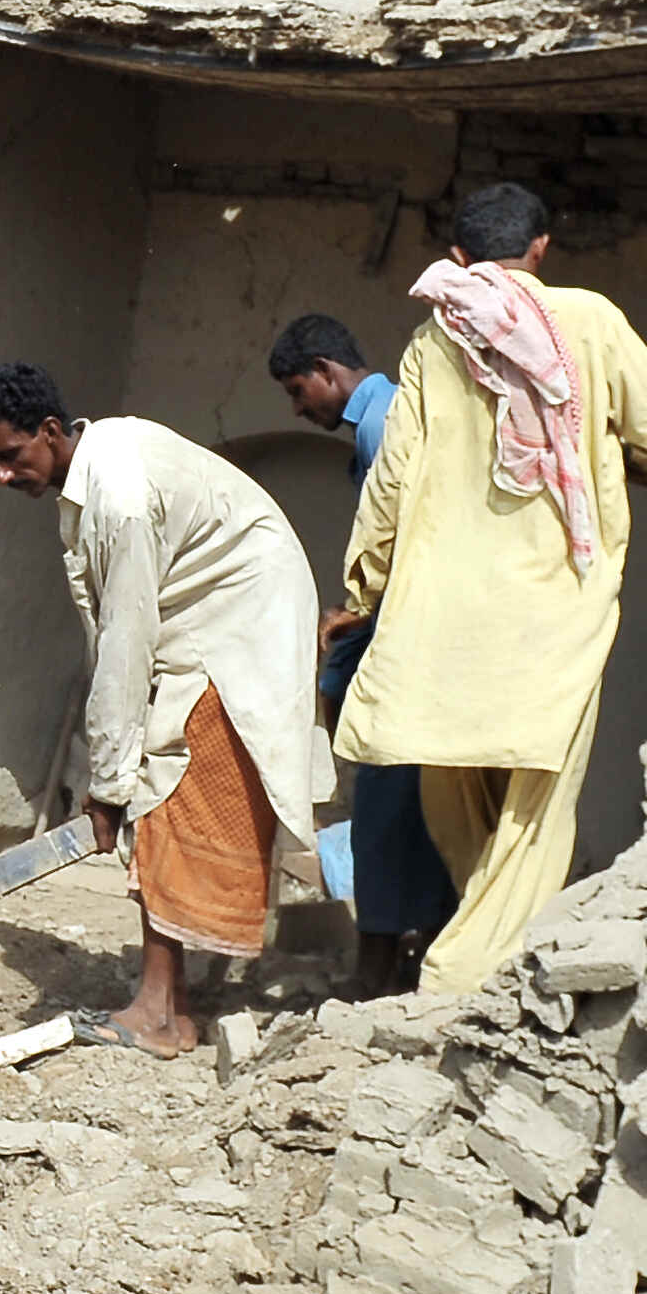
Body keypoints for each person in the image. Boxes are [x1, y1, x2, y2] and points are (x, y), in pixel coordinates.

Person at [330, 184, 647, 990]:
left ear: (459, 256)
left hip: (444, 615)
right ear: (541, 248)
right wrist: (632, 459)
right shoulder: (590, 321)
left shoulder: (435, 339)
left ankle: (473, 948)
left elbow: (393, 477)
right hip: (555, 613)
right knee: (535, 810)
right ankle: (469, 973)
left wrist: (369, 582)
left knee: (453, 791)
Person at [0, 362, 327, 1058]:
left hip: (240, 629)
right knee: (156, 801)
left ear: (48, 431)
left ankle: (157, 1012)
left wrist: (108, 781)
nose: (4, 477)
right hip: (211, 622)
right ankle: (175, 1007)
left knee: (160, 800)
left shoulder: (119, 496)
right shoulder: (98, 469)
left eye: (11, 456)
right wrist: (112, 771)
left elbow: (126, 640)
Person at [268, 314, 454, 993]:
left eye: (297, 390)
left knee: (381, 801)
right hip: (410, 634)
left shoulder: (384, 424)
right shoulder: (392, 414)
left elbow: (408, 539)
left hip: (405, 642)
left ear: (325, 369)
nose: (298, 406)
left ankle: (376, 964)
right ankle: (418, 949)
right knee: (414, 804)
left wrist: (357, 615)